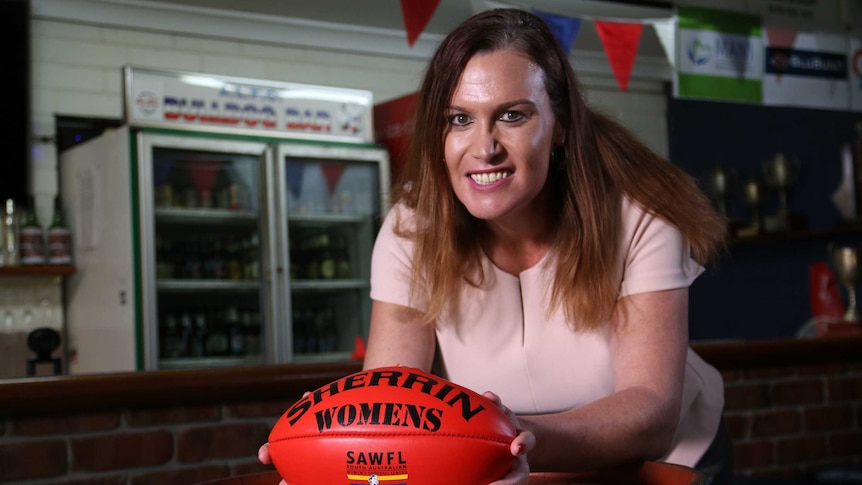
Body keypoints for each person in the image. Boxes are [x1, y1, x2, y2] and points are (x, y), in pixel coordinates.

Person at [261, 7, 732, 485]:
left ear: (560, 126)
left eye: (512, 115)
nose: (484, 148)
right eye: (460, 118)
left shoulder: (639, 214)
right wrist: (325, 450)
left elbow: (650, 409)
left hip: (662, 464)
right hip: (498, 464)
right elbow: (391, 414)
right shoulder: (412, 228)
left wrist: (507, 435)